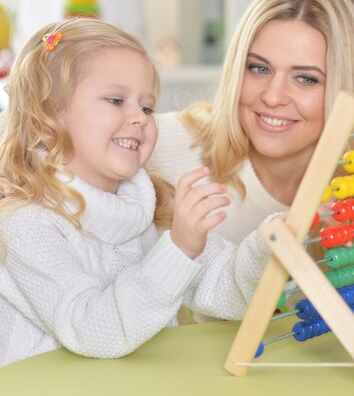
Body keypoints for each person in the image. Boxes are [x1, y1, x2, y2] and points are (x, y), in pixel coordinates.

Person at [0, 18, 272, 367]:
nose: (140, 117)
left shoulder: (149, 210)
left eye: (147, 106)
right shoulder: (26, 225)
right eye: (116, 100)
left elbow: (226, 291)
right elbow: (93, 330)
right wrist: (179, 250)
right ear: (48, 115)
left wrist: (269, 246)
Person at [148, 0, 354, 313]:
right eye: (258, 68)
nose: (273, 96)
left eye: (306, 78)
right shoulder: (156, 146)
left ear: (346, 88)